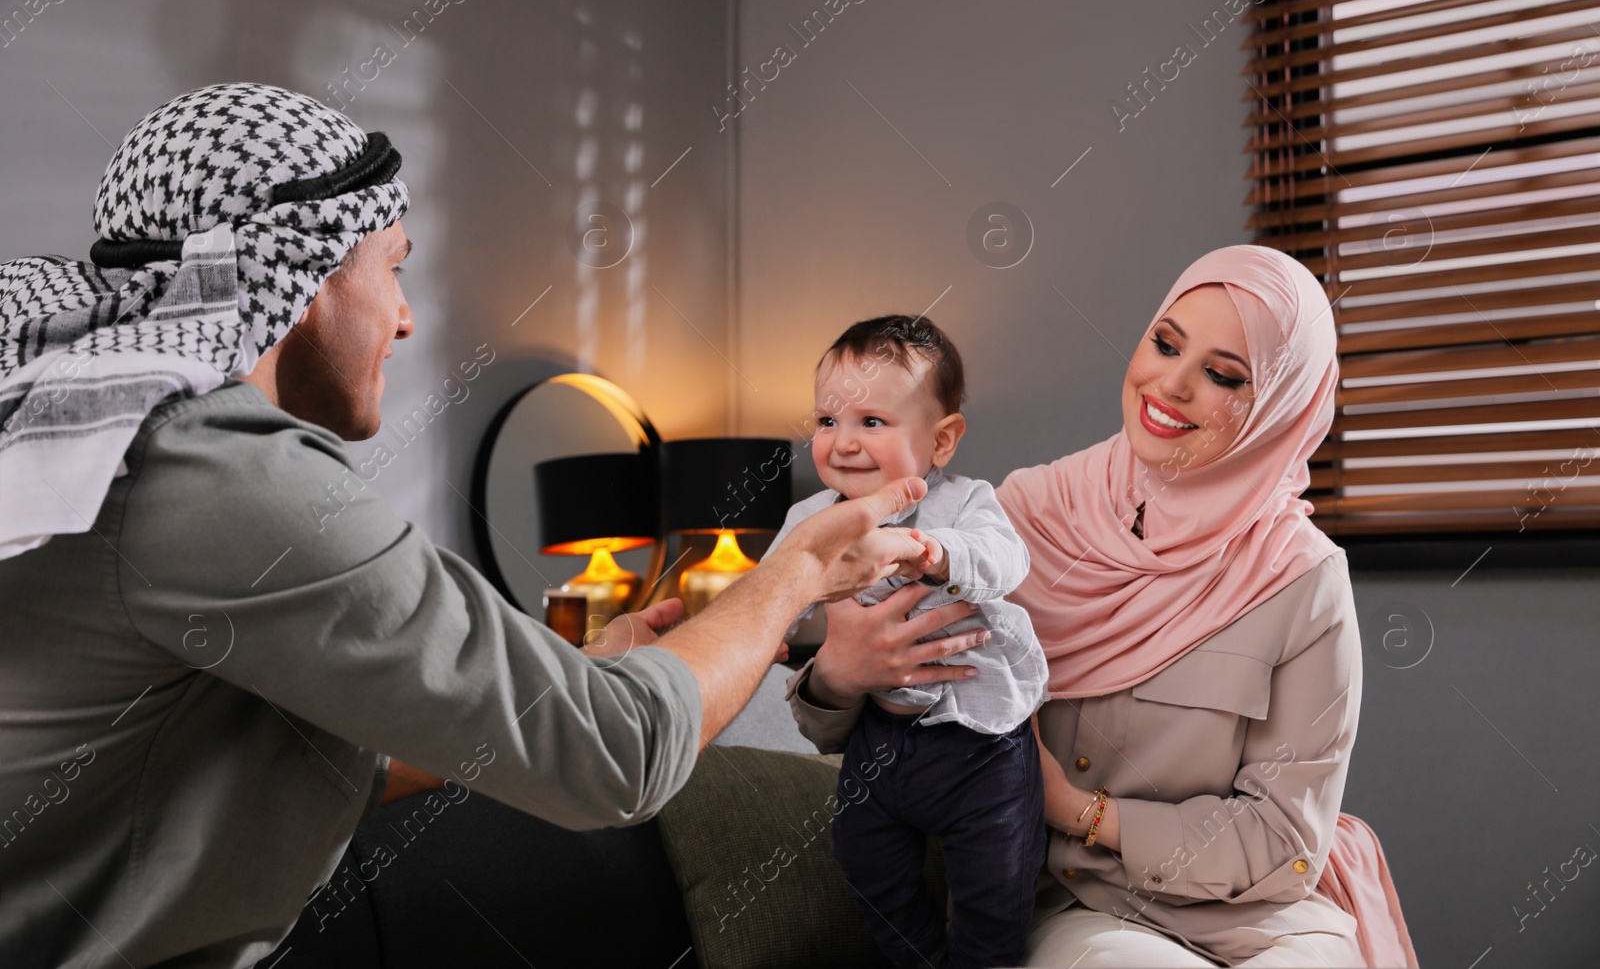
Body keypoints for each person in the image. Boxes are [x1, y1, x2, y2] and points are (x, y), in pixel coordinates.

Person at [0, 83, 991, 969]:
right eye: (391, 267)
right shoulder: (218, 472)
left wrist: (587, 671)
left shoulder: (108, 442)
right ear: (304, 273)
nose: (403, 317)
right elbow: (620, 754)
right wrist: (792, 574)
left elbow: (321, 752)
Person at [788, 247, 1419, 968]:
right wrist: (839, 672)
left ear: (1280, 404)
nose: (1171, 384)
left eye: (1222, 374)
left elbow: (1284, 840)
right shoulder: (1022, 516)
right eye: (1166, 342)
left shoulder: (1303, 579)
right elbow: (865, 717)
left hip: (1264, 915)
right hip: (1084, 906)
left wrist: (1079, 810)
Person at [765, 315, 1049, 969]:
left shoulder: (964, 504)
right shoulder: (811, 520)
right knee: (862, 854)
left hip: (981, 743)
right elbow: (771, 588)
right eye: (827, 421)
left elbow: (1007, 561)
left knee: (997, 884)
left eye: (872, 421)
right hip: (880, 741)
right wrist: (772, 627)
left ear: (941, 439)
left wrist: (933, 551)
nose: (842, 443)